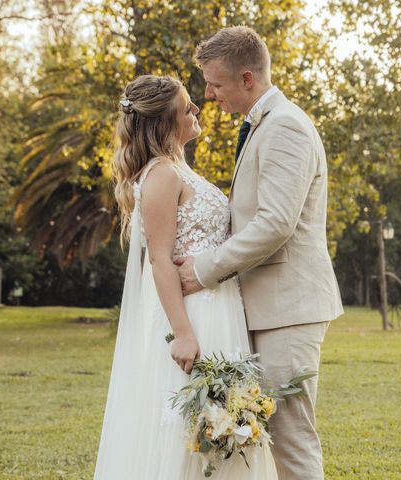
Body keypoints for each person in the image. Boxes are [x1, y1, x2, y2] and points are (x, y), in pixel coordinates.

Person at [176, 26, 344, 480]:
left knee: (291, 440)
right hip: (267, 309)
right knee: (264, 440)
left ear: (247, 78)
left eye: (216, 83)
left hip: (288, 309)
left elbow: (275, 223)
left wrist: (205, 270)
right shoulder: (262, 124)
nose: (209, 94)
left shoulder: (286, 125)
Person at [93, 74, 278, 479]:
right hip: (194, 316)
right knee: (193, 430)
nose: (197, 108)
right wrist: (184, 332)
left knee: (223, 429)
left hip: (220, 308)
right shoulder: (161, 174)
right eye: (186, 106)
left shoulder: (178, 169)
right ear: (164, 122)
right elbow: (159, 261)